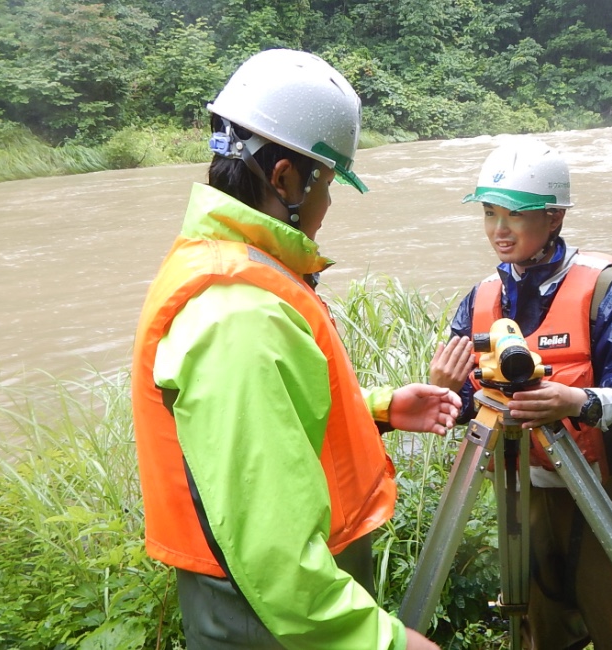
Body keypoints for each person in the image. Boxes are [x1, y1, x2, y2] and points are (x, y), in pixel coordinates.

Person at [130, 48, 460, 650]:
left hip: (280, 612)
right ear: (285, 177)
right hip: (275, 623)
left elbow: (272, 421)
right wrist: (384, 641)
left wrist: (380, 408)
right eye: (328, 184)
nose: (329, 206)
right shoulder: (239, 311)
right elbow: (271, 551)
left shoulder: (232, 268)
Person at [429, 138, 612, 650]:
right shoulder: (480, 298)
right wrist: (447, 392)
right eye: (490, 213)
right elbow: (472, 405)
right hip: (524, 487)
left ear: (554, 216)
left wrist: (577, 402)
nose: (499, 230)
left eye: (515, 215)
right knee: (541, 625)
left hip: (604, 483)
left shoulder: (608, 290)